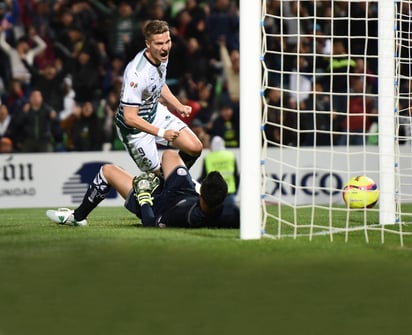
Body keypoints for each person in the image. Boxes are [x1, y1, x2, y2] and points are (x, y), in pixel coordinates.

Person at [46, 149, 240, 229]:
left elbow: (150, 222)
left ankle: (78, 217)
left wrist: (144, 195)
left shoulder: (184, 214)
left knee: (108, 171)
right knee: (171, 154)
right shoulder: (230, 213)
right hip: (183, 192)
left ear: (203, 194)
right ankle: (159, 178)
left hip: (157, 204)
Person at [114, 19, 202, 175]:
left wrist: (178, 105)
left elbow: (159, 83)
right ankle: (167, 183)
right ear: (148, 44)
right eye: (159, 44)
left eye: (167, 41)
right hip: (135, 130)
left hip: (155, 113)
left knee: (195, 148)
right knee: (158, 178)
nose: (165, 48)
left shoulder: (161, 56)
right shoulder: (137, 74)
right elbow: (130, 117)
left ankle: (174, 181)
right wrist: (162, 133)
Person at [199, 136, 239, 205]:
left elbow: (203, 177)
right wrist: (235, 191)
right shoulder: (230, 156)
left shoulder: (208, 158)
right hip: (229, 192)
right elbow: (236, 176)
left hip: (212, 194)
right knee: (229, 214)